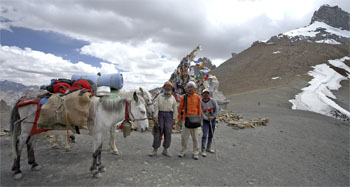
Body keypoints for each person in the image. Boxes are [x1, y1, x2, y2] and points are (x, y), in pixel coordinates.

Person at [149, 81, 178, 157]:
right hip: (160, 115)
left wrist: (174, 118)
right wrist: (155, 116)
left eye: (169, 86)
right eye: (166, 86)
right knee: (158, 133)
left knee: (168, 133)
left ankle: (165, 150)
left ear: (171, 88)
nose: (168, 88)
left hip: (169, 116)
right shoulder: (159, 96)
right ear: (164, 87)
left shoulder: (173, 98)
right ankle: (155, 150)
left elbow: (175, 109)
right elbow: (156, 107)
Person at [177, 81, 202, 160]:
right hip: (186, 120)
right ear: (187, 88)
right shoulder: (184, 97)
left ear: (194, 88)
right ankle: (183, 151)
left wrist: (199, 118)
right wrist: (179, 119)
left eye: (191, 87)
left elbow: (199, 109)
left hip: (195, 120)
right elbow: (180, 108)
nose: (190, 89)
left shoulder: (198, 97)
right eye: (189, 87)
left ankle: (195, 153)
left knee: (195, 138)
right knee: (184, 137)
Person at [200, 89, 219, 157]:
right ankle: (203, 149)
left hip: (213, 120)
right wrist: (206, 118)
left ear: (209, 94)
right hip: (205, 121)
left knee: (211, 134)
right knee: (205, 135)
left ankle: (208, 148)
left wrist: (213, 116)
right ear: (202, 94)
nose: (206, 95)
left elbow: (217, 109)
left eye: (207, 93)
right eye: (204, 93)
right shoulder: (200, 102)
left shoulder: (213, 101)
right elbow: (201, 112)